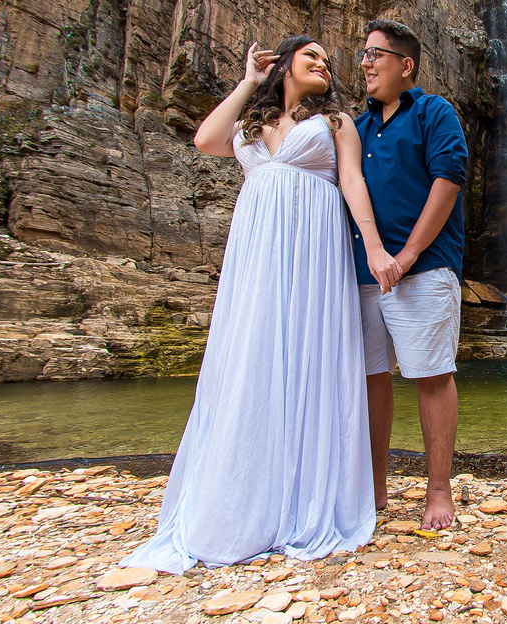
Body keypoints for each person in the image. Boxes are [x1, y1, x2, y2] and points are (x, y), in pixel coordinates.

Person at [121, 35, 402, 573]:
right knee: (253, 355)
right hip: (258, 253)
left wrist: (371, 245)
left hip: (315, 252)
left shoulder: (336, 122)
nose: (323, 64)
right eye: (310, 56)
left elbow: (351, 181)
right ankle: (244, 495)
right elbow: (205, 139)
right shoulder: (252, 121)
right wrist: (249, 79)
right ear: (285, 64)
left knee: (310, 360)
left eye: (327, 60)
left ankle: (305, 494)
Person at [352, 19, 468, 531]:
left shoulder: (434, 112)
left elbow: (449, 179)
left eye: (376, 54)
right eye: (363, 54)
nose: (366, 63)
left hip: (426, 268)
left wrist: (407, 255)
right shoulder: (356, 127)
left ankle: (438, 489)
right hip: (361, 272)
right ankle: (375, 487)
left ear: (406, 65)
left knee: (431, 375)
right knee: (372, 378)